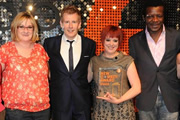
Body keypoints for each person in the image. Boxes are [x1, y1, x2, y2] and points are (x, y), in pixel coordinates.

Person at [129, 0, 180, 120]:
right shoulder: (134, 41)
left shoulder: (176, 36)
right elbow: (132, 70)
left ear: (163, 17)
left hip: (171, 97)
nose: (155, 20)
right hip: (145, 97)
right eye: (150, 16)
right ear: (144, 17)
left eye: (159, 15)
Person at [43, 5, 96, 120]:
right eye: (67, 22)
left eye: (74, 22)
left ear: (79, 24)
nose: (70, 26)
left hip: (82, 103)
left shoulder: (90, 44)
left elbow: (91, 70)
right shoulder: (49, 44)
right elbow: (47, 71)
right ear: (61, 24)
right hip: (59, 103)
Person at [0, 12, 50, 120]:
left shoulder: (40, 50)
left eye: (29, 27)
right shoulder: (5, 50)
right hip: (16, 111)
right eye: (21, 26)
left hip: (43, 110)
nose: (26, 30)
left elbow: (47, 76)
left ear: (34, 30)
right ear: (15, 29)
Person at [88, 25, 141, 120]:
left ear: (119, 42)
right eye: (108, 40)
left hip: (123, 112)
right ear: (102, 40)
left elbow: (137, 88)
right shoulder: (94, 61)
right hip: (100, 113)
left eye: (115, 40)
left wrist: (119, 100)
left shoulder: (127, 60)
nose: (111, 44)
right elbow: (84, 81)